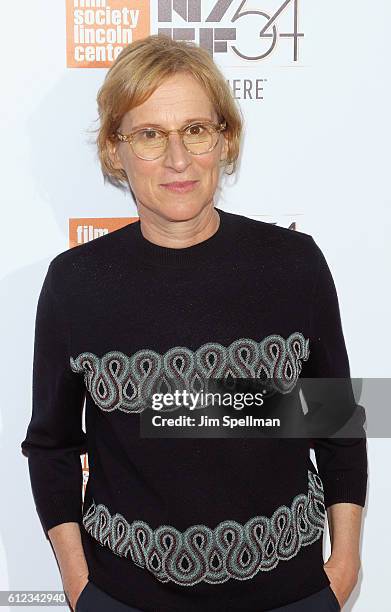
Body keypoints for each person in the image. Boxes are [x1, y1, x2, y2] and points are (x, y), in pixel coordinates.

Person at [21, 34, 367, 612]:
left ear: (224, 140)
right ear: (115, 150)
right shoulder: (75, 283)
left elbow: (335, 422)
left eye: (196, 130)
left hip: (293, 594)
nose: (178, 159)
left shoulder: (293, 264)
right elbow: (52, 445)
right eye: (150, 135)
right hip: (125, 597)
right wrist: (81, 584)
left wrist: (345, 563)